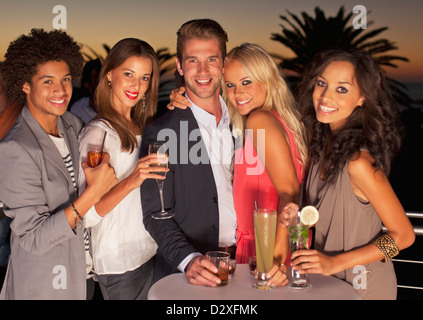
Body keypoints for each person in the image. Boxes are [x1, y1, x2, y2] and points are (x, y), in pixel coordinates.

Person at [280, 48, 415, 299]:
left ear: (362, 98)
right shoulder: (321, 147)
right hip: (328, 283)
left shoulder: (358, 162)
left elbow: (404, 236)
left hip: (365, 285)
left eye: (341, 89)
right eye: (322, 84)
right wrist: (298, 215)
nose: (324, 96)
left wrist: (335, 263)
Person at [0, 28, 117, 300]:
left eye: (65, 79)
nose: (61, 90)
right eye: (47, 81)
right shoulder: (15, 149)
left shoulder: (72, 125)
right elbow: (33, 239)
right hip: (44, 286)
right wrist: (93, 194)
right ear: (25, 84)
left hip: (82, 272)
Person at [140, 19, 237, 288]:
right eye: (193, 60)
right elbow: (155, 214)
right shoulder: (161, 133)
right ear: (180, 66)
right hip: (188, 275)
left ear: (224, 64)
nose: (203, 70)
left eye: (212, 59)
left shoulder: (246, 120)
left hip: (246, 266)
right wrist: (188, 259)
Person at [78, 38, 166, 300]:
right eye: (128, 74)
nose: (135, 85)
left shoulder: (141, 127)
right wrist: (132, 179)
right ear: (108, 76)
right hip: (120, 263)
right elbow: (88, 214)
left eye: (144, 77)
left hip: (149, 251)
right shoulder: (98, 134)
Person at [69, 59, 102, 124]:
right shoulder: (78, 109)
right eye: (98, 82)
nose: (103, 84)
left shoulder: (118, 106)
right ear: (87, 86)